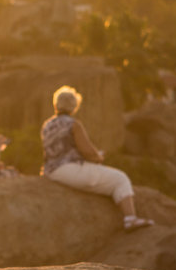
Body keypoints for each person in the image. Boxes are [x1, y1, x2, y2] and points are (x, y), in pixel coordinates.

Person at [40, 85, 153, 231]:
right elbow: (87, 151)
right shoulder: (74, 124)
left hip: (51, 172)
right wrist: (98, 157)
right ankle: (130, 218)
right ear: (74, 106)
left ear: (56, 105)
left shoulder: (47, 125)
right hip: (70, 170)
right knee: (120, 178)